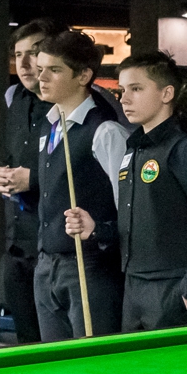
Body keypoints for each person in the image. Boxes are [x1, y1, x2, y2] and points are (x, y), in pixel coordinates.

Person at [107, 53, 187, 332]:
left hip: (173, 285)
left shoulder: (185, 150)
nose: (124, 99)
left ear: (166, 94)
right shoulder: (133, 150)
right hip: (133, 285)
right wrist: (96, 230)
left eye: (136, 89)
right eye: (122, 90)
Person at [31, 29, 131, 340]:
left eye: (54, 69)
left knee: (94, 363)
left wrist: (101, 230)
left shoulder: (106, 132)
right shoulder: (48, 127)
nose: (41, 78)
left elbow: (130, 207)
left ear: (84, 75)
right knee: (56, 363)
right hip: (46, 265)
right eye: (40, 69)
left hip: (90, 267)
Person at [0, 18, 63, 342]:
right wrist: (3, 174)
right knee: (26, 345)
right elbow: (14, 156)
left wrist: (33, 179)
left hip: (58, 248)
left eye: (34, 52)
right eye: (18, 55)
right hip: (17, 243)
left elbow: (92, 177)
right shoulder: (14, 98)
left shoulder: (73, 104)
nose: (25, 63)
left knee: (61, 349)